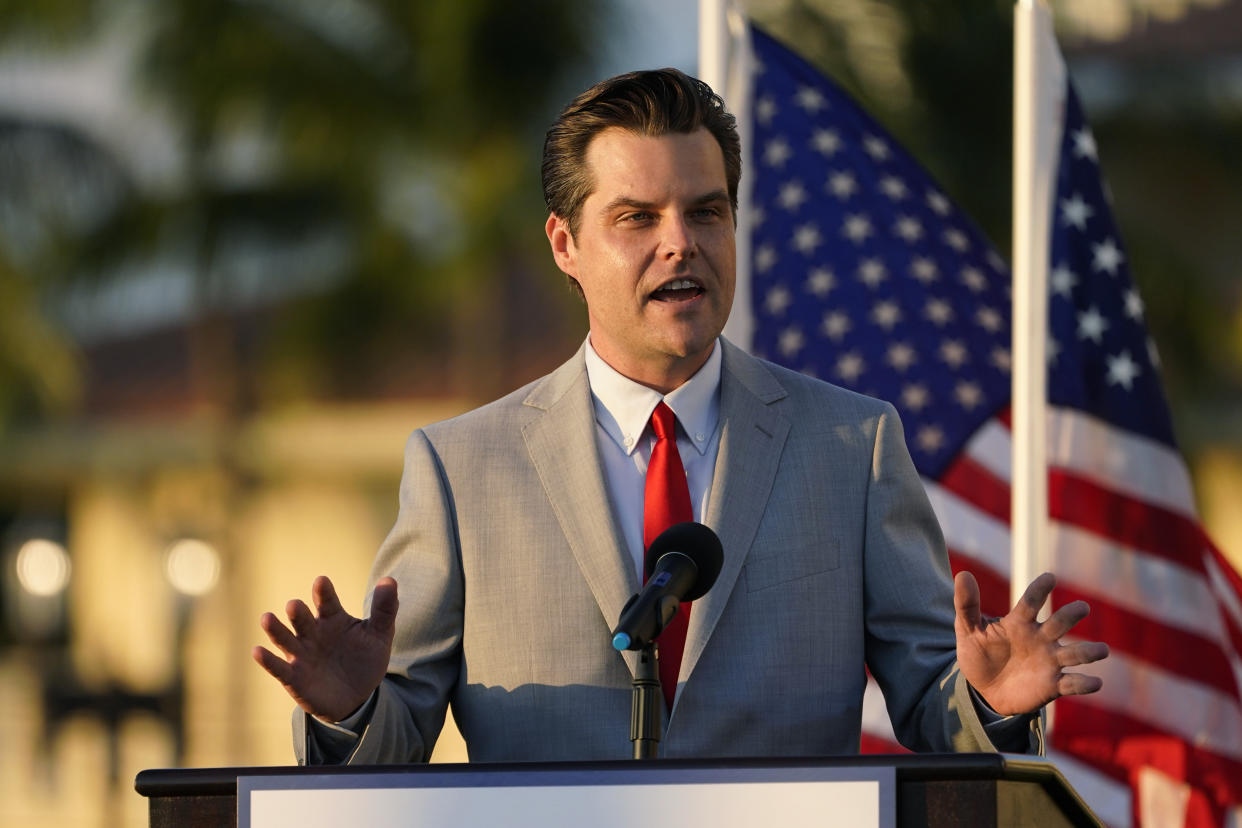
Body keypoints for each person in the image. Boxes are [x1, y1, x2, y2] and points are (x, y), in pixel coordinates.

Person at [253, 68, 1108, 764]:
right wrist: (352, 712)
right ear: (565, 245)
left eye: (707, 211)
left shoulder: (853, 445)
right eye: (637, 218)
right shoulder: (461, 466)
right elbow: (396, 736)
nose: (681, 243)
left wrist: (990, 705)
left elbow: (932, 705)